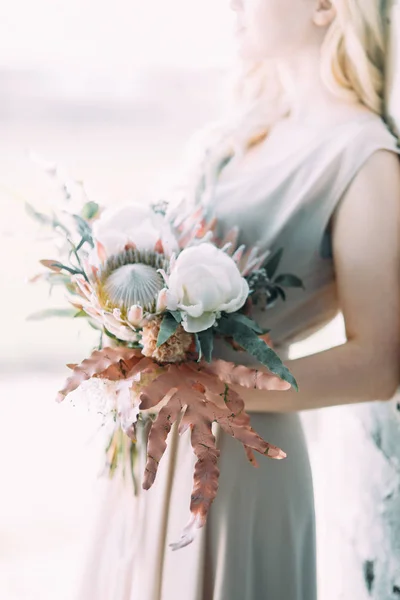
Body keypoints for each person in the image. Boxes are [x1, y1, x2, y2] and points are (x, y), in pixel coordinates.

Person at [76, 1, 400, 599]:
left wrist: (208, 389)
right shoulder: (244, 131)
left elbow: (378, 365)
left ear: (329, 7)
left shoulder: (365, 160)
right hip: (151, 446)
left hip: (236, 468)